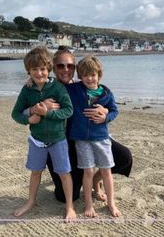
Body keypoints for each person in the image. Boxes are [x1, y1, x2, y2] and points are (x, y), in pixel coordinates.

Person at [28, 46, 132, 206]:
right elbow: (25, 106)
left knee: (124, 157)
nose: (65, 69)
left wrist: (105, 112)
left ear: (75, 69)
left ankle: (97, 181)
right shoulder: (47, 88)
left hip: (88, 137)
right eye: (60, 66)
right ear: (53, 68)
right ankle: (83, 179)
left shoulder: (81, 87)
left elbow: (104, 95)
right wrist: (36, 104)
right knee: (65, 196)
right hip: (60, 143)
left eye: (69, 66)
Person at [11, 46, 76, 222]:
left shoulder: (57, 88)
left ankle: (69, 206)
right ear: (28, 71)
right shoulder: (27, 90)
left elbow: (68, 110)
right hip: (37, 140)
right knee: (35, 172)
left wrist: (48, 113)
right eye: (34, 70)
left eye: (42, 69)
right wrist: (29, 120)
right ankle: (30, 202)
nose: (39, 73)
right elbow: (15, 114)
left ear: (49, 68)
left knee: (64, 173)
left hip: (58, 139)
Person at [66, 55, 121, 217]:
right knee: (88, 171)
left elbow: (114, 111)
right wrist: (31, 81)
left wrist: (105, 116)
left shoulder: (106, 93)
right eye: (85, 75)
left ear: (99, 75)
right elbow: (54, 85)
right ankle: (89, 205)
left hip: (102, 138)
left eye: (93, 74)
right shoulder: (74, 90)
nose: (89, 78)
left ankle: (111, 203)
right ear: (80, 76)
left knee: (106, 171)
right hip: (82, 140)